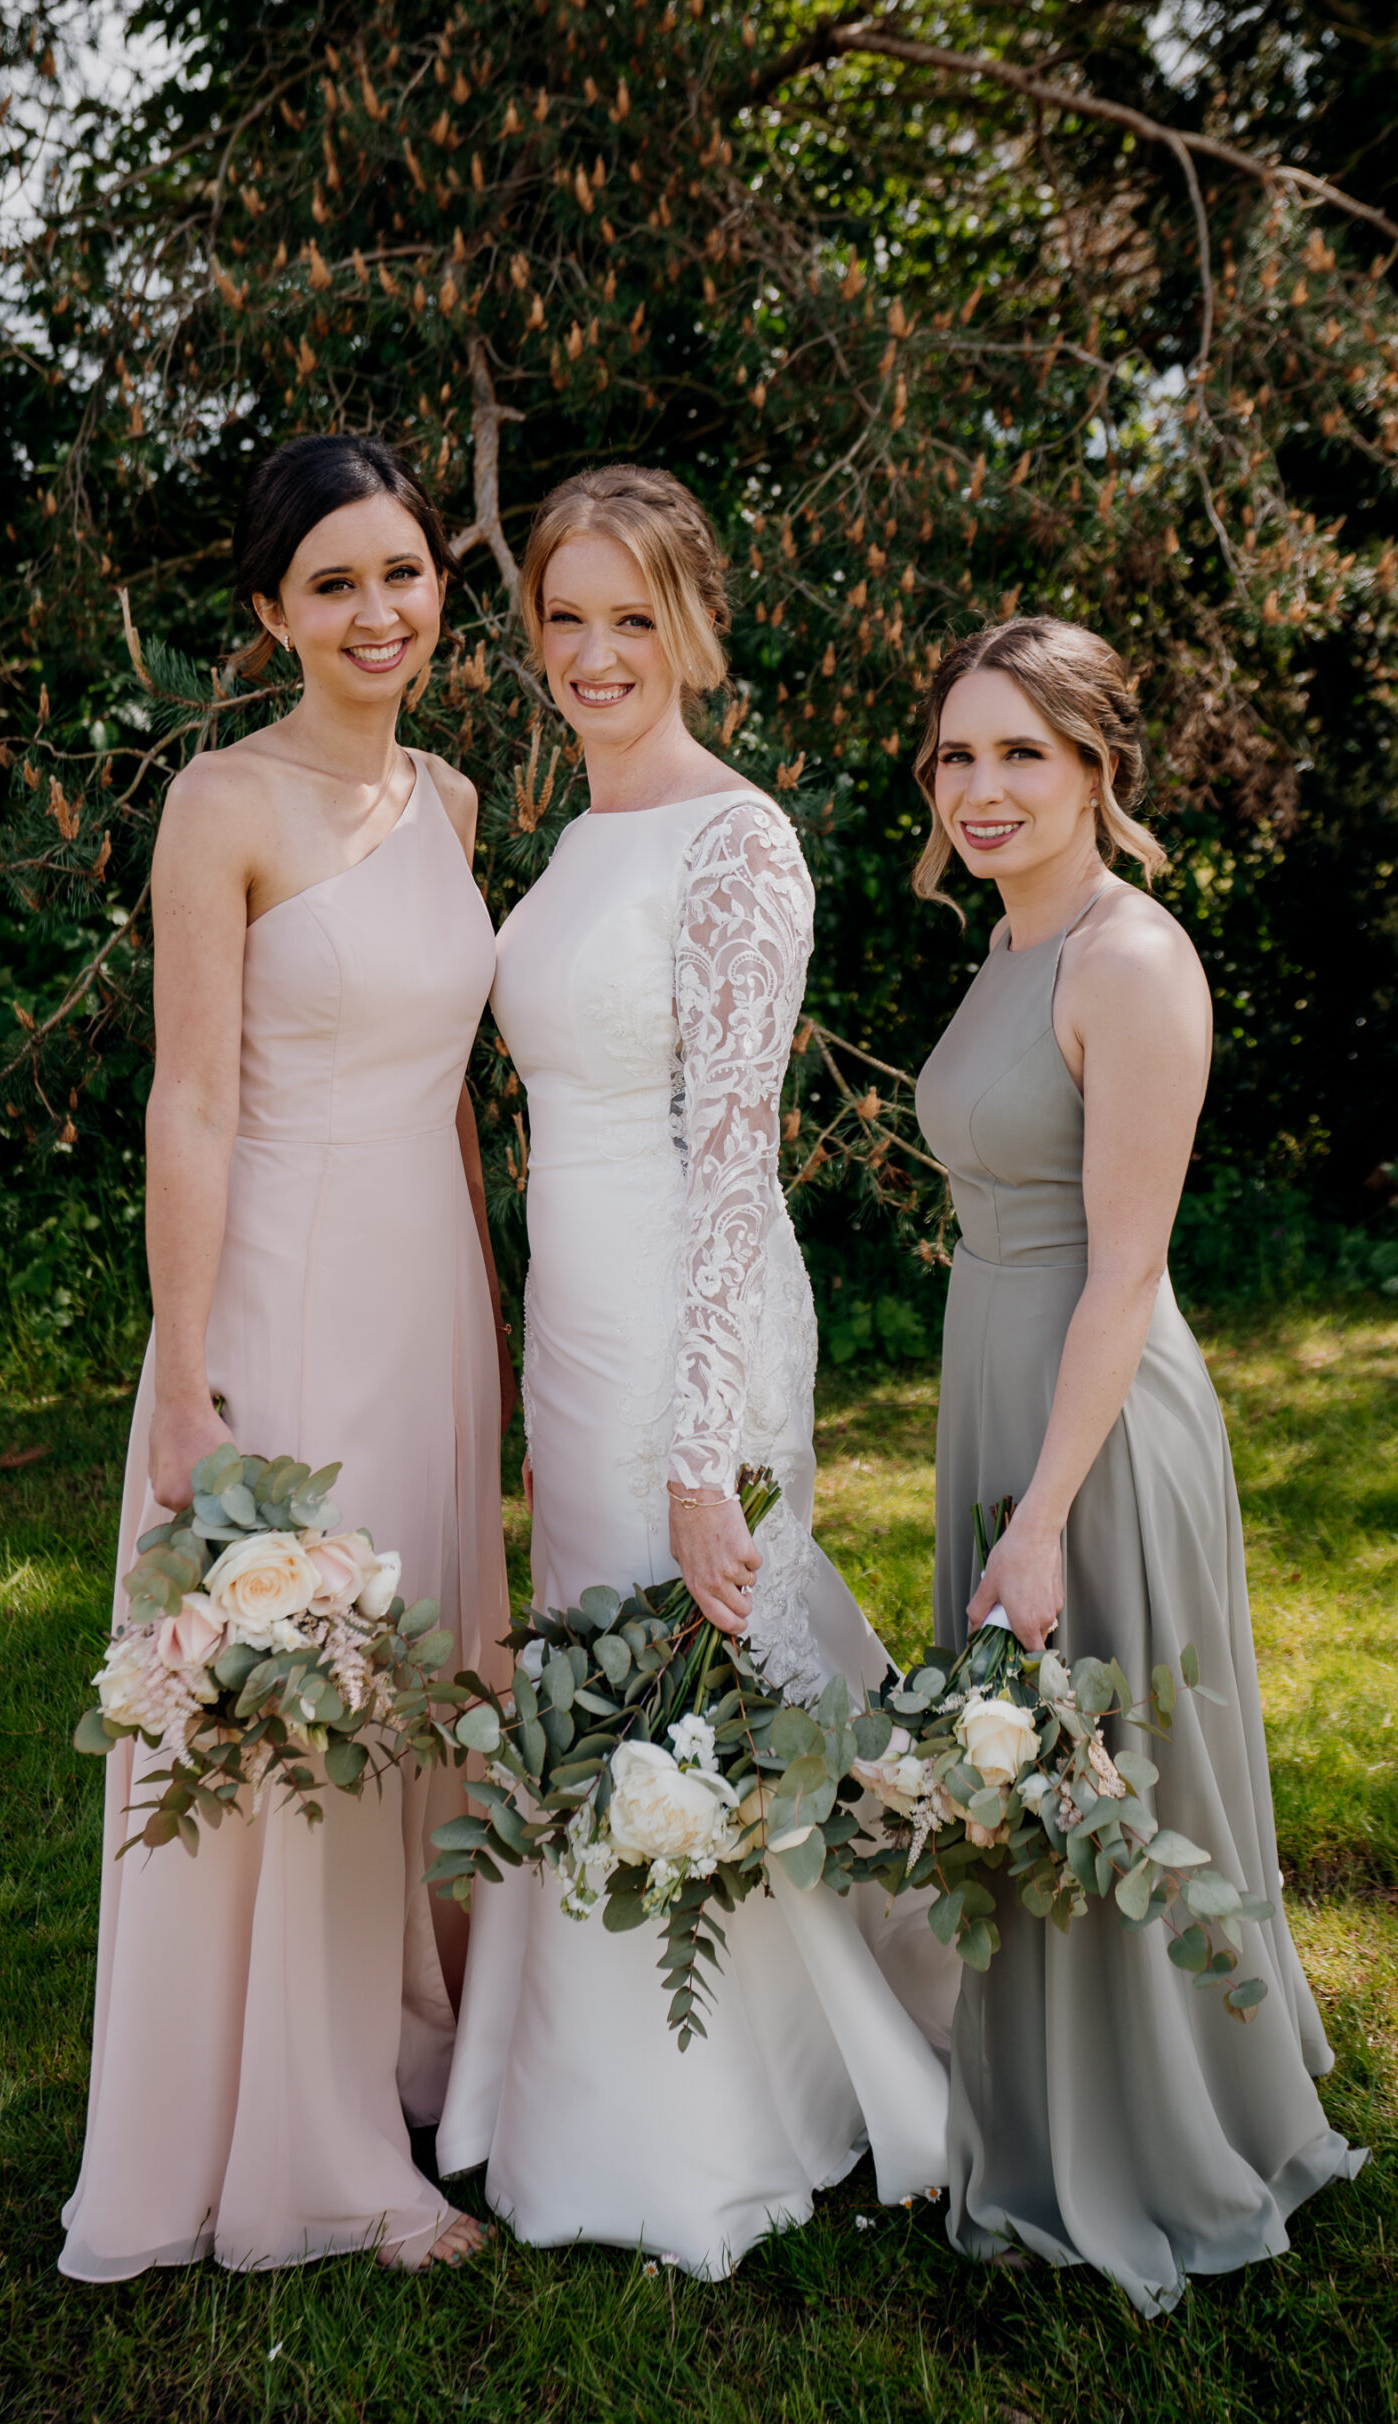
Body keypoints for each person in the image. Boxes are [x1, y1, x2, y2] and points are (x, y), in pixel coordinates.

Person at [436, 465, 953, 2276]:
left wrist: (702, 1438)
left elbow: (735, 1158)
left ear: (690, 629)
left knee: (690, 1641)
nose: (590, 653)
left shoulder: (742, 841)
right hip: (571, 1306)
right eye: (563, 618)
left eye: (628, 620)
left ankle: (721, 2110)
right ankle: (560, 2069)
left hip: (687, 1308)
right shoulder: (577, 831)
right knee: (602, 1658)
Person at [59, 434, 512, 2280]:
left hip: (433, 1289)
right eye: (332, 582)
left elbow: (464, 1097)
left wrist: (504, 1310)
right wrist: (185, 1362)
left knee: (425, 1678)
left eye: (400, 571)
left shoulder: (462, 802)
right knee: (308, 1682)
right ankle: (313, 2153)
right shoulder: (219, 805)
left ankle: (415, 2046)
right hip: (286, 1290)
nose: (377, 610)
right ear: (269, 614)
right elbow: (189, 1101)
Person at [911, 613, 1364, 2315]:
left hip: (1090, 1422)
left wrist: (1038, 1520)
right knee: (1027, 1764)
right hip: (992, 1389)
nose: (984, 785)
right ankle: (1037, 2109)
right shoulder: (1009, 943)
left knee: (1115, 1769)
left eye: (1023, 750)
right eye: (959, 753)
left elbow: (1124, 1265)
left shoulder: (1130, 959)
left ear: (1100, 765)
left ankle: (1170, 2130)